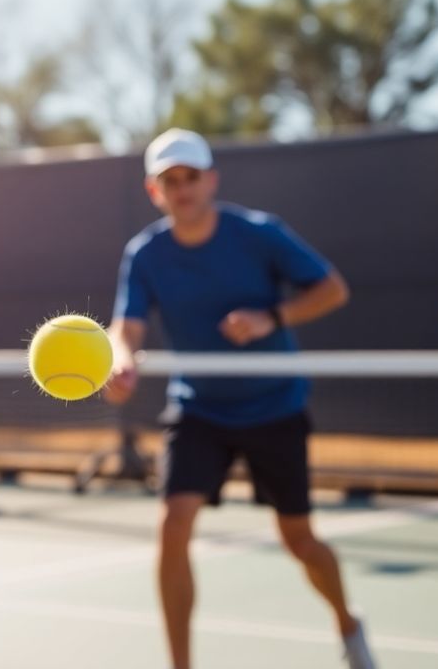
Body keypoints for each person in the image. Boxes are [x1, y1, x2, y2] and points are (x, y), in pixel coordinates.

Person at [103, 128, 375, 669]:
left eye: (191, 177)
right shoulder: (146, 254)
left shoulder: (259, 234)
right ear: (155, 191)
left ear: (211, 181)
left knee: (299, 540)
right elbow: (125, 327)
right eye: (170, 181)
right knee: (173, 523)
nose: (182, 189)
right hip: (198, 408)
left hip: (275, 406)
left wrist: (268, 318)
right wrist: (120, 360)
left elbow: (332, 289)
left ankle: (347, 622)